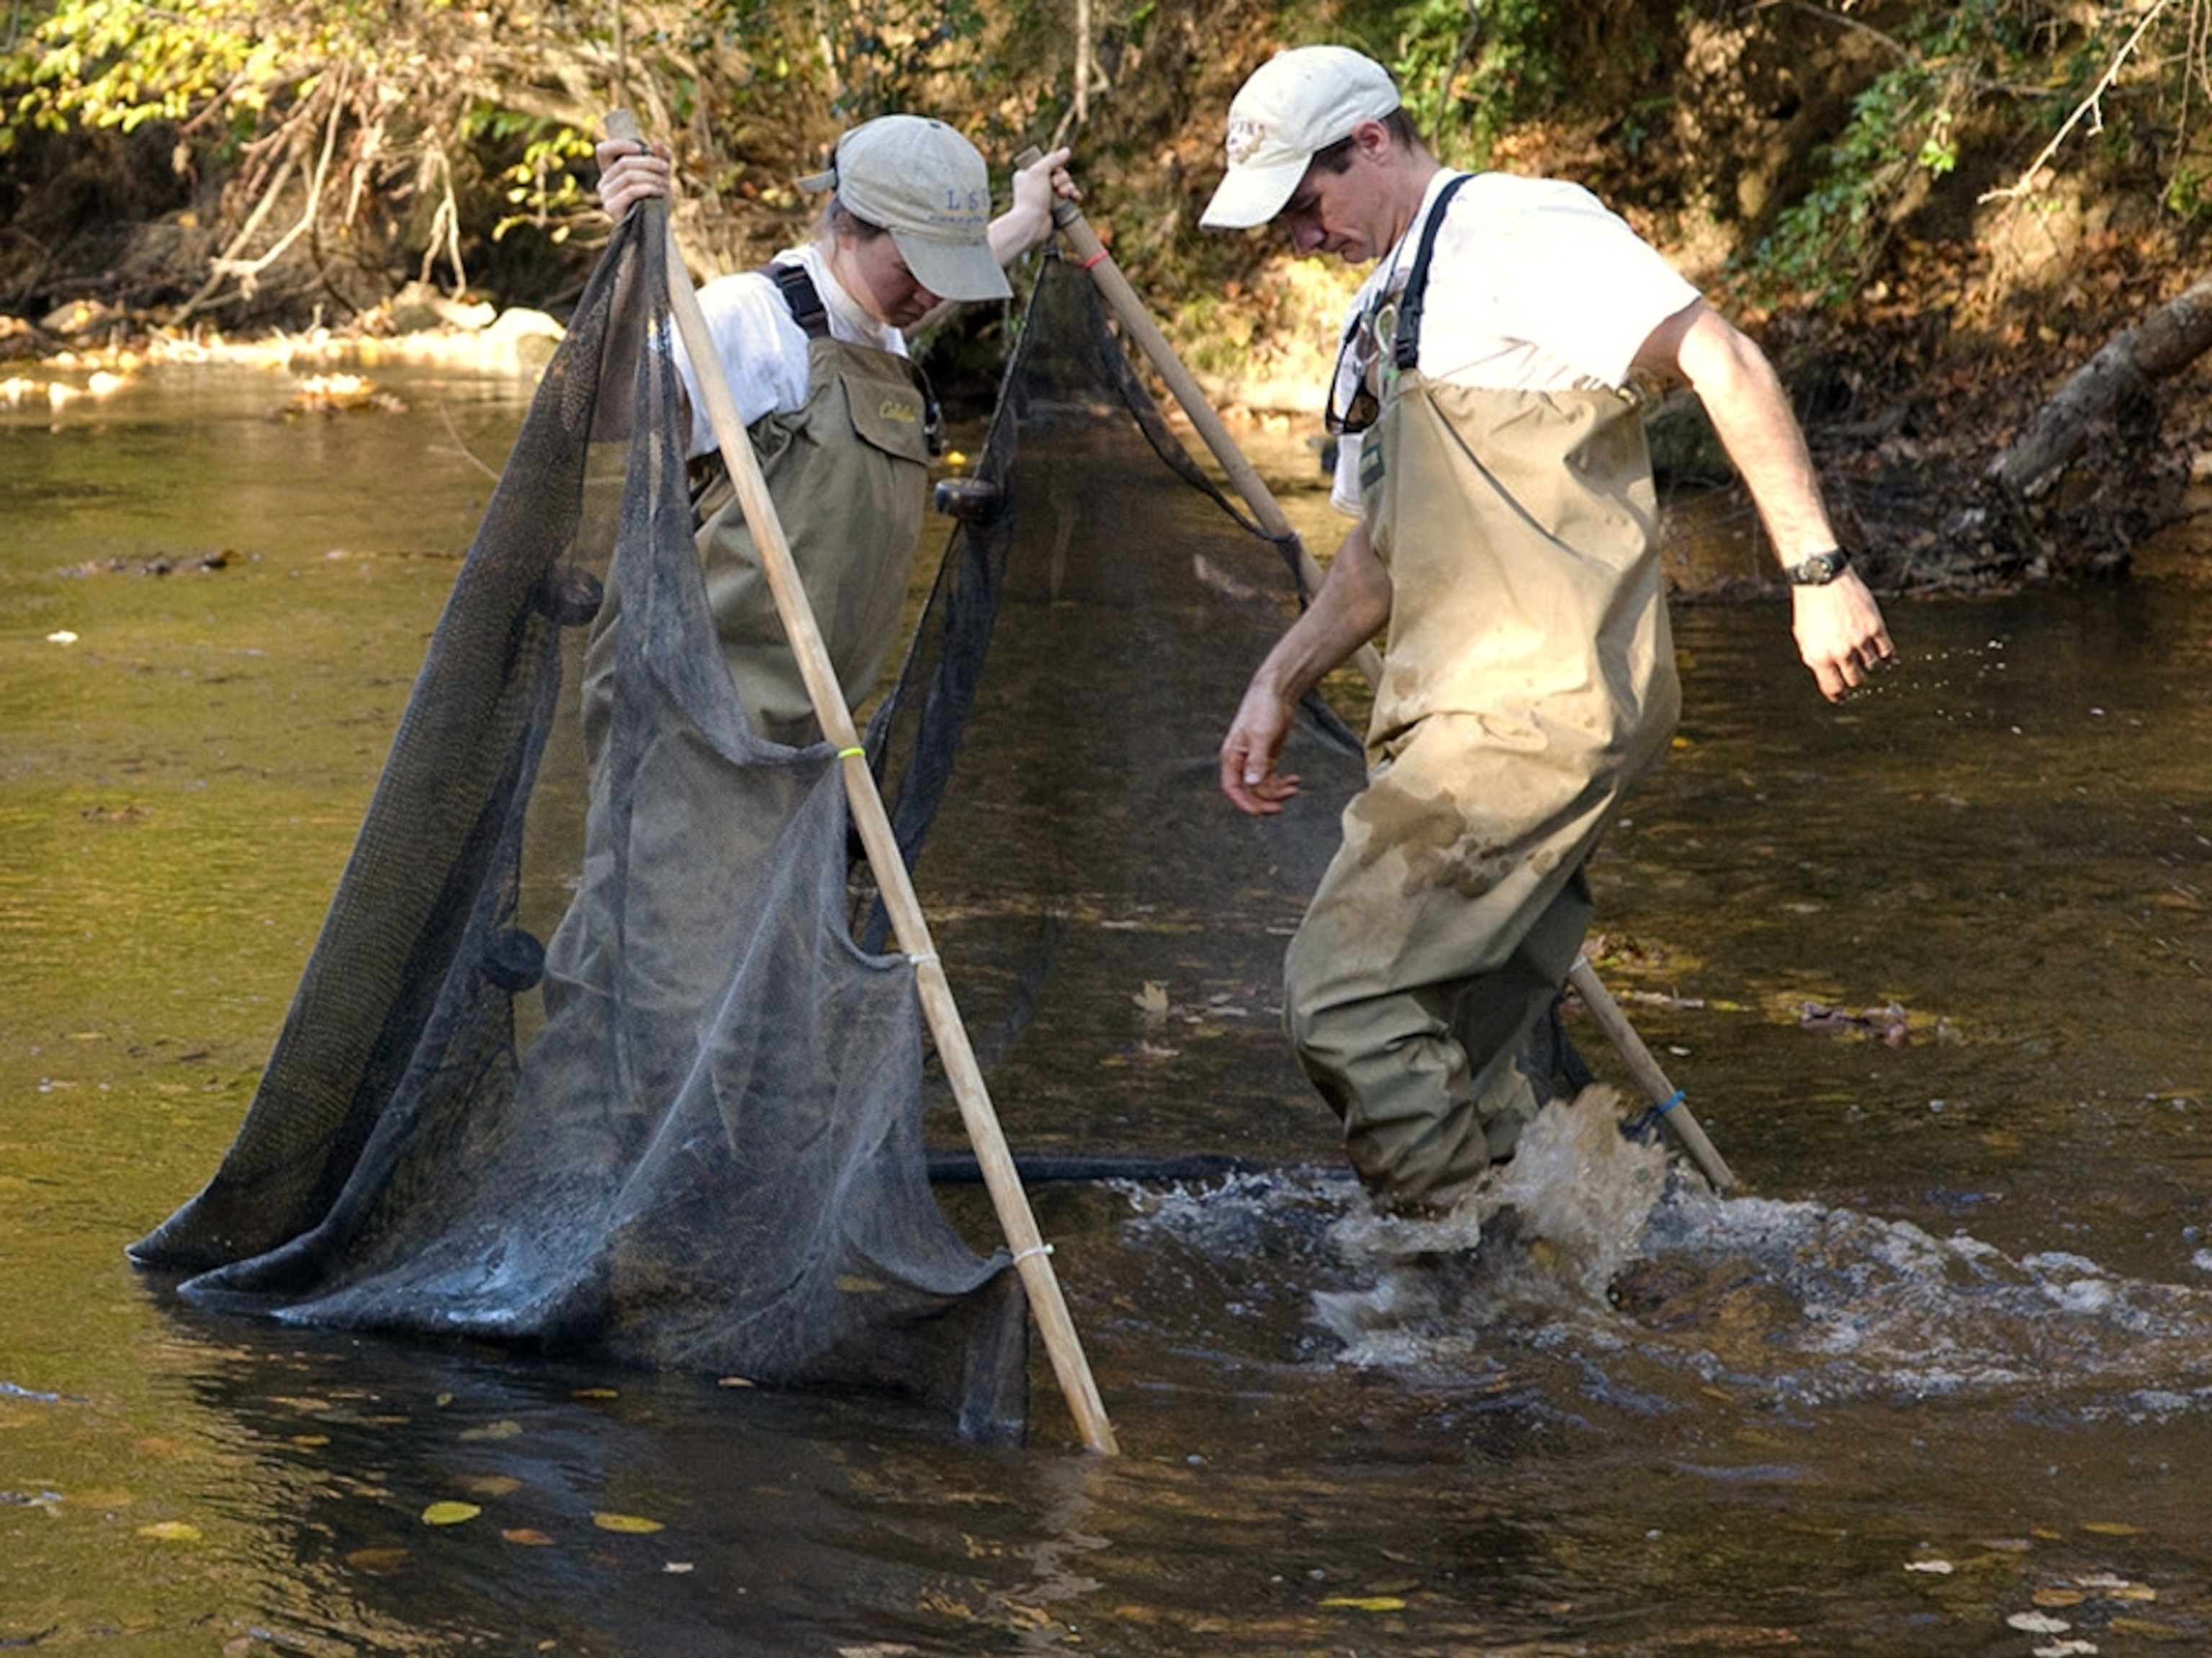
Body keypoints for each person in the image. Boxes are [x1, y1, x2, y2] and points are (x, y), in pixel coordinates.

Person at [1201, 46, 1895, 1212]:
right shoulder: (1384, 307)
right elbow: (1375, 558)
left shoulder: (1516, 231)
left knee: (1345, 997)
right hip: (1468, 712)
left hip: (1529, 712)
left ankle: (1445, 1281)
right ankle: (1549, 1276)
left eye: (1306, 207)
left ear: (1370, 140)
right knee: (1452, 1044)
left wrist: (1816, 569)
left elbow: (1719, 357)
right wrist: (1276, 681)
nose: (1301, 243)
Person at [593, 117, 1074, 747]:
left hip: (811, 735)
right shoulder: (749, 318)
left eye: (947, 270)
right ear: (846, 227)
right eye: (911, 268)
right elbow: (613, 414)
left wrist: (1028, 217)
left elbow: (937, 281)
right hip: (693, 728)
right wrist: (631, 257)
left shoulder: (880, 322)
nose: (932, 295)